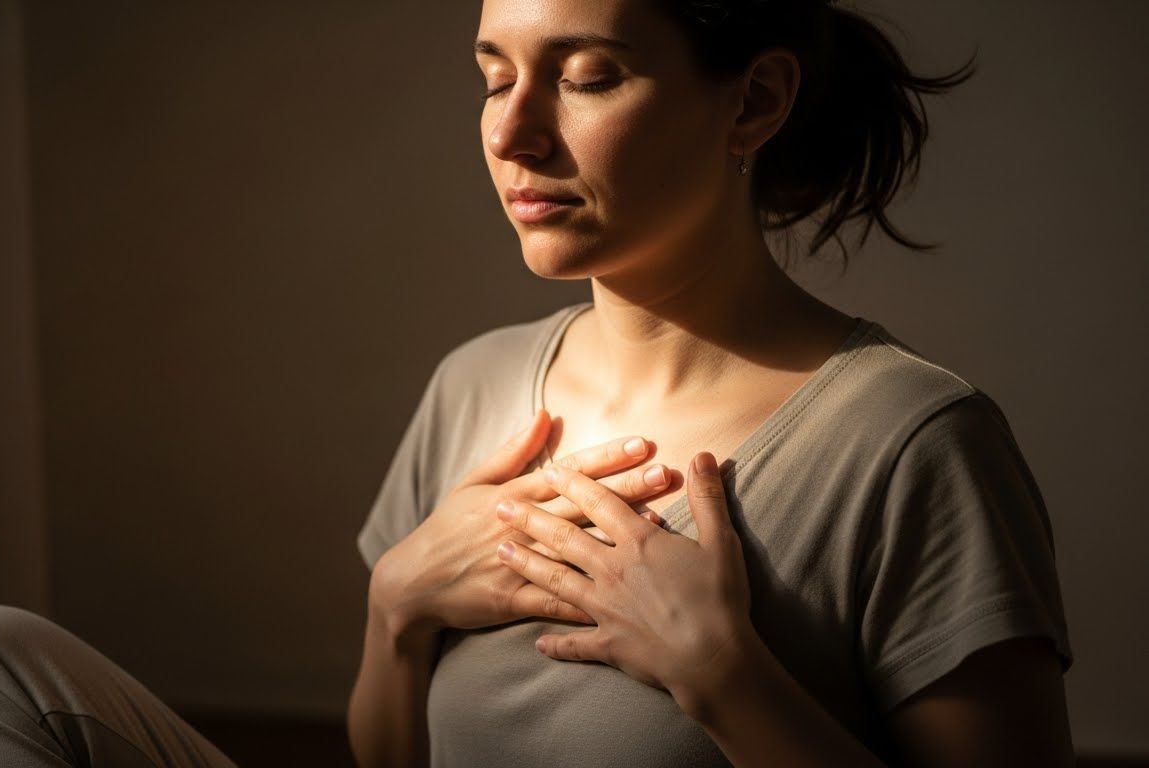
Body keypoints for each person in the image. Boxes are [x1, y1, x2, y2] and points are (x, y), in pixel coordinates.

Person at [346, 0, 1074, 767]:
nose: (508, 134)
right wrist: (395, 609)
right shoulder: (472, 384)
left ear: (754, 100)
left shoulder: (912, 444)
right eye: (494, 80)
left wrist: (723, 678)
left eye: (588, 78)